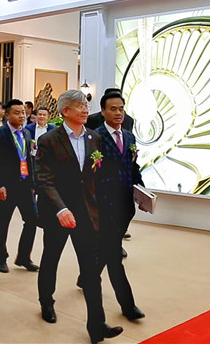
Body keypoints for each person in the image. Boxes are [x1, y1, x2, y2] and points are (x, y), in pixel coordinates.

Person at [36, 89, 123, 343]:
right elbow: (43, 178)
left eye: (86, 105)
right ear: (65, 111)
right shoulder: (49, 140)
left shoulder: (94, 138)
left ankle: (97, 324)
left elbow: (96, 176)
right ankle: (46, 301)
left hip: (86, 213)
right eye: (80, 106)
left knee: (91, 269)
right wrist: (60, 208)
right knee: (51, 258)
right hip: (58, 213)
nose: (86, 110)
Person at [93, 91, 145, 321]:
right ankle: (128, 305)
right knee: (114, 254)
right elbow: (91, 174)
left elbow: (133, 167)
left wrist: (142, 192)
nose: (118, 113)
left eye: (121, 108)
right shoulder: (95, 137)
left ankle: (87, 276)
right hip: (105, 206)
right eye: (113, 109)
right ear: (103, 112)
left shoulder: (129, 137)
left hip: (125, 205)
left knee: (107, 248)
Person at [0, 99, 39, 273]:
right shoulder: (0, 134)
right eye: (17, 113)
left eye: (23, 113)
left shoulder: (26, 133)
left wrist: (33, 183)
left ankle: (23, 257)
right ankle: (1, 258)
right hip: (7, 186)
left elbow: (29, 159)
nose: (22, 116)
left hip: (25, 185)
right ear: (7, 115)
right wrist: (0, 184)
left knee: (32, 219)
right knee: (3, 222)